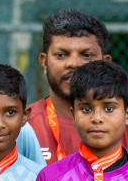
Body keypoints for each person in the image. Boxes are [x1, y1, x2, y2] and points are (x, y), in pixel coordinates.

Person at [26, 10, 111, 165]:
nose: (74, 63)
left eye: (86, 55)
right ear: (44, 62)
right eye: (61, 55)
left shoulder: (126, 124)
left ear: (105, 63)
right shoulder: (23, 126)